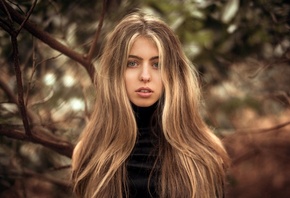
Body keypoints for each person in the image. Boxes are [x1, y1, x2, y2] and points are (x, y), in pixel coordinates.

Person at [71, 11, 229, 198]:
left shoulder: (206, 152)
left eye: (157, 65)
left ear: (172, 73)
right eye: (132, 63)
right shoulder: (87, 153)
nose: (145, 76)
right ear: (116, 72)